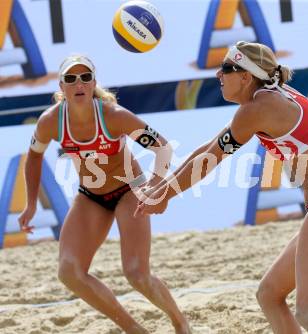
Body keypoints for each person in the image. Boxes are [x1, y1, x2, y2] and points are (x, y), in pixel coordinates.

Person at [135, 41, 308, 334]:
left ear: (245, 76)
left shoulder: (260, 108)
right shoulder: (273, 96)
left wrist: (165, 196)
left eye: (225, 69)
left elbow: (211, 159)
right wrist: (162, 191)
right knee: (269, 295)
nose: (218, 75)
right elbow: (208, 149)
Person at [18, 55, 191, 334]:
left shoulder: (114, 115)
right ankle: (133, 329)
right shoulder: (50, 121)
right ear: (62, 86)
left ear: (94, 83)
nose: (79, 83)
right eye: (71, 78)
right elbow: (34, 157)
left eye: (85, 77)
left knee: (136, 274)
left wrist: (156, 188)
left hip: (129, 190)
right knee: (69, 272)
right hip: (91, 196)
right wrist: (30, 205)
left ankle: (180, 322)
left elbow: (163, 148)